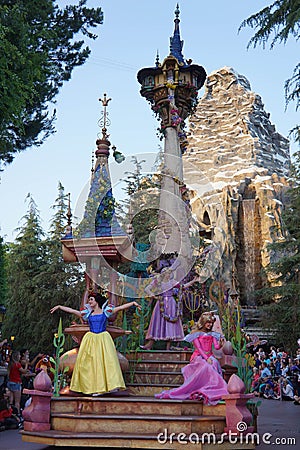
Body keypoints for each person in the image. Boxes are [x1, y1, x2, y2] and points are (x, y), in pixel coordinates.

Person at [50, 293, 141, 396]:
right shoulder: (87, 314)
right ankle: (89, 387)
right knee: (88, 364)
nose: (89, 302)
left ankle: (106, 387)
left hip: (103, 339)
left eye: (91, 299)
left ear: (97, 301)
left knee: (106, 363)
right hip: (91, 339)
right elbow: (73, 311)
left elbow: (119, 308)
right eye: (89, 300)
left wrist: (133, 303)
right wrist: (60, 307)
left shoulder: (106, 312)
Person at [155, 312, 228, 405]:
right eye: (208, 322)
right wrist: (206, 358)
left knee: (214, 363)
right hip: (198, 356)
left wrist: (221, 344)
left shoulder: (212, 334)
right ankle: (203, 387)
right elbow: (199, 348)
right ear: (203, 322)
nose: (209, 325)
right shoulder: (195, 334)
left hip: (210, 355)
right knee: (206, 366)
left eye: (211, 323)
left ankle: (213, 388)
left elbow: (216, 347)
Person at [141, 268, 200, 350]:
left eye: (169, 273)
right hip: (161, 303)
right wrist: (153, 296)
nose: (169, 275)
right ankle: (149, 345)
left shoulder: (172, 282)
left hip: (171, 303)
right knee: (157, 322)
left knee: (170, 324)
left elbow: (182, 287)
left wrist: (193, 281)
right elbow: (147, 288)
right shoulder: (158, 282)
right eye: (167, 273)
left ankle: (168, 347)